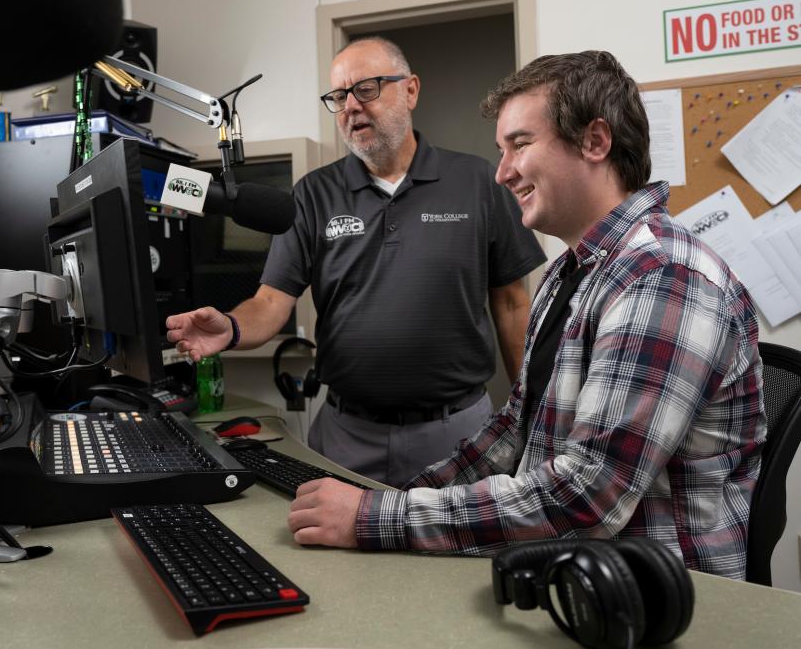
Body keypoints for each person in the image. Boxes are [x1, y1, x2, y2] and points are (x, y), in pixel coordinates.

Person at [286, 50, 766, 580]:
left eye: (519, 145)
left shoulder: (663, 279)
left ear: (595, 141)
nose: (502, 173)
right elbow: (514, 430)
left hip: (660, 597)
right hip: (578, 573)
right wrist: (392, 498)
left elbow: (588, 496)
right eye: (501, 150)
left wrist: (378, 518)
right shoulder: (571, 273)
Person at [167, 37, 545, 486]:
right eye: (339, 96)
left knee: (459, 556)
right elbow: (271, 301)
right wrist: (229, 327)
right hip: (347, 435)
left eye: (366, 89)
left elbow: (512, 304)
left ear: (410, 90)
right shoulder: (313, 193)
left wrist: (532, 413)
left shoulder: (480, 181)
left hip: (458, 432)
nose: (350, 106)